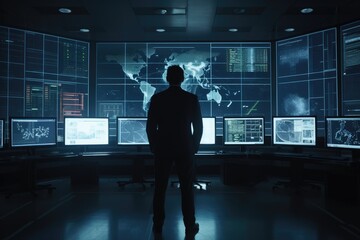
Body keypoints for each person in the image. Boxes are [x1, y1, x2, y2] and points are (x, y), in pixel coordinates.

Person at [146, 65, 203, 238]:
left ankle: (157, 225)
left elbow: (150, 127)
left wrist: (154, 147)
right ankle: (189, 224)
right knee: (187, 188)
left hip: (162, 149)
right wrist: (193, 147)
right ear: (183, 78)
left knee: (160, 188)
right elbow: (198, 127)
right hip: (185, 148)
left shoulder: (157, 99)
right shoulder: (191, 99)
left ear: (167, 78)